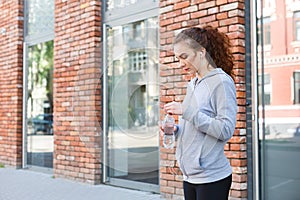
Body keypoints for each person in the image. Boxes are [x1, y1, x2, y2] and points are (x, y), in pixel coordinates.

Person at [162, 26, 237, 200]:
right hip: (190, 177)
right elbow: (195, 124)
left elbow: (225, 130)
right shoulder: (193, 84)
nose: (180, 63)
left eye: (184, 56)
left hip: (211, 178)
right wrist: (176, 130)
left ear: (201, 52)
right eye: (177, 58)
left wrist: (187, 112)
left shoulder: (221, 82)